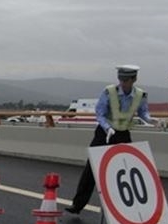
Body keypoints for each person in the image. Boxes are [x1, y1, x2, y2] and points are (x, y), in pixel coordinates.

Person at [65, 65, 158, 215]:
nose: (122, 82)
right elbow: (99, 113)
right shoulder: (109, 92)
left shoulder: (140, 95)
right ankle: (78, 205)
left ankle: (126, 209)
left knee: (124, 169)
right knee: (92, 169)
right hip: (104, 133)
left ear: (134, 79)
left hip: (123, 134)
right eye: (121, 79)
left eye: (126, 80)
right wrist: (107, 128)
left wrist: (149, 119)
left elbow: (142, 112)